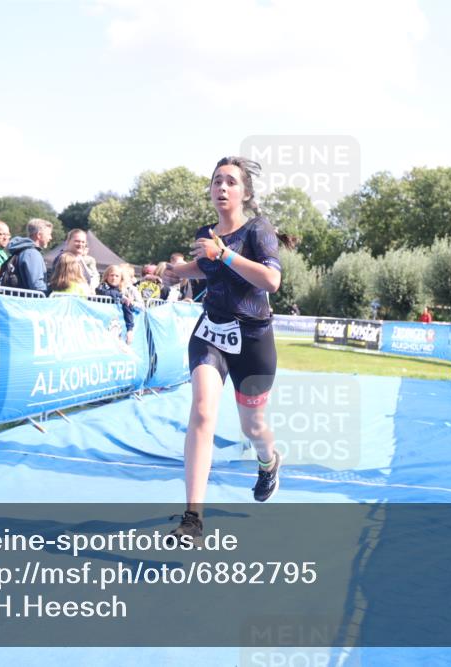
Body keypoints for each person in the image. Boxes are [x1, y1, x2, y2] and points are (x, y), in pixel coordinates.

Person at [162, 156, 293, 542]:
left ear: (245, 193)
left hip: (253, 341)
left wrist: (225, 254)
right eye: (216, 181)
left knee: (253, 425)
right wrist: (178, 271)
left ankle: (268, 462)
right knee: (203, 410)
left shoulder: (259, 230)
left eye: (230, 182)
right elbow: (208, 269)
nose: (222, 187)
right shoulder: (206, 232)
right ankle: (193, 518)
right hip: (212, 331)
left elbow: (271, 280)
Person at [5, 218, 53, 294]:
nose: (51, 238)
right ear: (39, 235)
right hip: (27, 303)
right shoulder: (32, 253)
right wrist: (50, 295)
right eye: (49, 234)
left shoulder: (21, 250)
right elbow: (37, 285)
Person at [96, 264, 135, 344]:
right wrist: (121, 297)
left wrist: (130, 330)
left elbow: (128, 311)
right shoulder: (102, 286)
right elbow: (105, 292)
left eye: (117, 276)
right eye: (112, 275)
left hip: (116, 326)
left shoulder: (123, 291)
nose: (114, 278)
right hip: (101, 325)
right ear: (107, 276)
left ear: (121, 279)